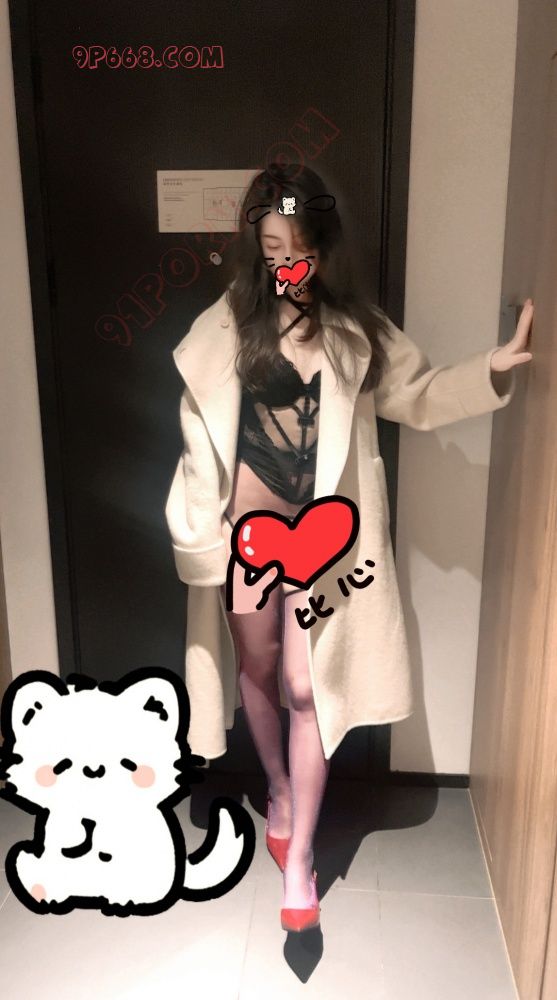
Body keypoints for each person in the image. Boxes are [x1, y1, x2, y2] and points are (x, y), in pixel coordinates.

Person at [165, 164, 533, 933]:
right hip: (246, 533)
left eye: (299, 248)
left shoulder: (354, 330)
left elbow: (419, 394)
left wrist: (489, 371)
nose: (286, 263)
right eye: (272, 248)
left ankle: (300, 857)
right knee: (258, 668)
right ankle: (277, 788)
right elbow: (198, 436)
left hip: (326, 541)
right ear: (255, 248)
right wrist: (198, 532)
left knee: (307, 686)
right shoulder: (225, 325)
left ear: (324, 248)